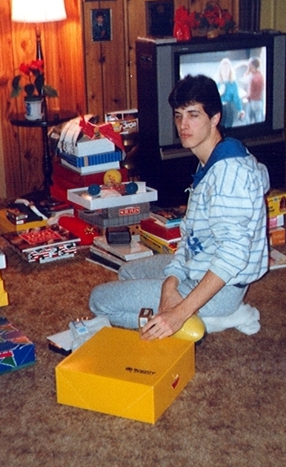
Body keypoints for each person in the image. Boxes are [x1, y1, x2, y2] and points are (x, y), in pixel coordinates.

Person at [89, 75, 270, 340]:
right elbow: (192, 237)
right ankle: (192, 309)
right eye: (178, 115)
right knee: (127, 272)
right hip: (200, 263)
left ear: (215, 118)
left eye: (193, 115)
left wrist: (179, 312)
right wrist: (170, 284)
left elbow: (233, 254)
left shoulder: (229, 174)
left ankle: (216, 318)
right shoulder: (212, 157)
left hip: (222, 288)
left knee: (100, 302)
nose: (183, 125)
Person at [215, 58, 243, 128]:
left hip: (229, 108)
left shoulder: (233, 83)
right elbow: (212, 99)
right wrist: (219, 93)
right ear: (220, 70)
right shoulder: (217, 83)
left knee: (228, 127)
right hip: (219, 109)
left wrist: (240, 109)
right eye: (223, 69)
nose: (225, 71)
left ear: (230, 70)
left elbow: (236, 98)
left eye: (227, 68)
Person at [243, 57, 265, 125]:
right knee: (258, 119)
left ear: (252, 66)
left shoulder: (253, 77)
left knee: (248, 118)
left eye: (249, 65)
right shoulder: (260, 75)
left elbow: (251, 91)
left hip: (253, 101)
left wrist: (246, 96)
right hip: (259, 100)